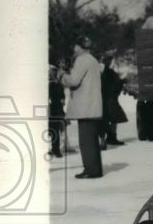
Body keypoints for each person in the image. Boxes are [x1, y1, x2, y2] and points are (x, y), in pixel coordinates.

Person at [58, 35, 104, 179]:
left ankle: (90, 170)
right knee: (92, 140)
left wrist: (61, 76)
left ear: (79, 46)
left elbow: (73, 80)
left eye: (75, 46)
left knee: (86, 141)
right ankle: (95, 169)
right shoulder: (92, 59)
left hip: (85, 107)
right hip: (92, 105)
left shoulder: (81, 60)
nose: (73, 49)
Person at [100, 52, 128, 147]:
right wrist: (122, 80)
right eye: (112, 62)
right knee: (112, 119)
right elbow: (114, 86)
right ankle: (110, 138)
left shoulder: (106, 72)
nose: (114, 63)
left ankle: (109, 138)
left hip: (107, 99)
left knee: (109, 119)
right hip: (110, 99)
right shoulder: (109, 73)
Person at [47, 64, 66, 158]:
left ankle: (55, 149)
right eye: (51, 71)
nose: (52, 73)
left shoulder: (58, 85)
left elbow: (62, 98)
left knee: (55, 129)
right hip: (47, 109)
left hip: (55, 110)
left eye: (54, 71)